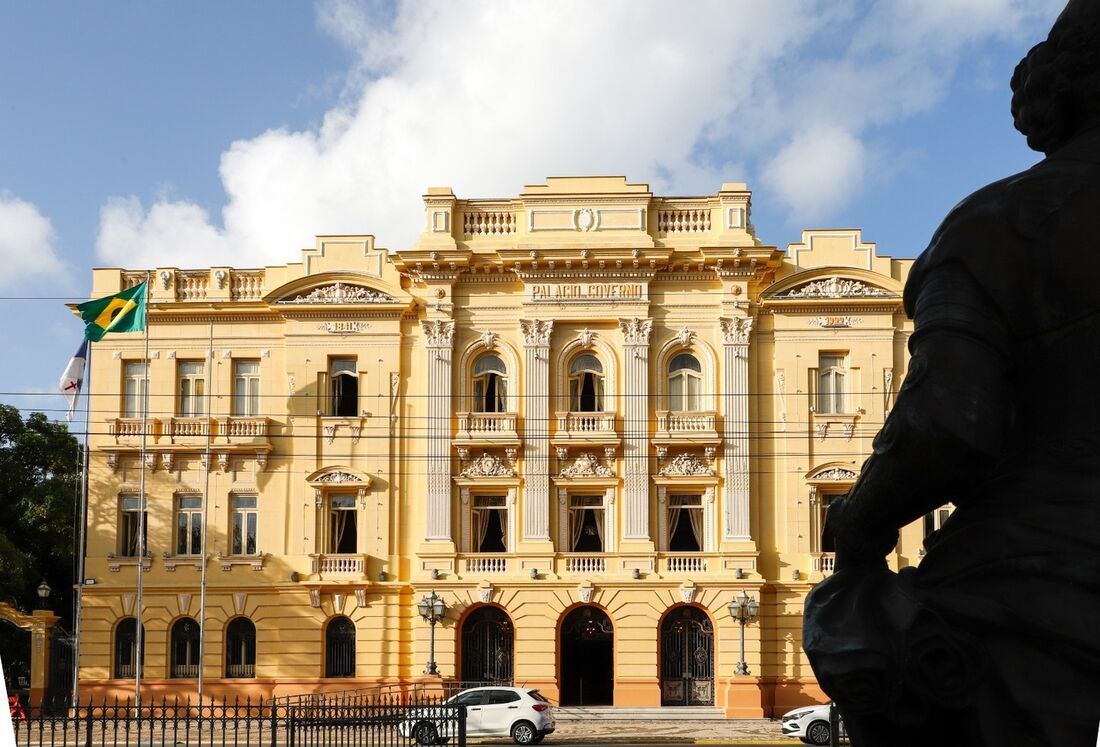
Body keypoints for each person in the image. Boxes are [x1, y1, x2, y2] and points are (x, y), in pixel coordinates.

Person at [804, 2, 1100, 745]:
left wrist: (859, 519)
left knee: (895, 655)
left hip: (1044, 587)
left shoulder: (998, 226)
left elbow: (945, 428)